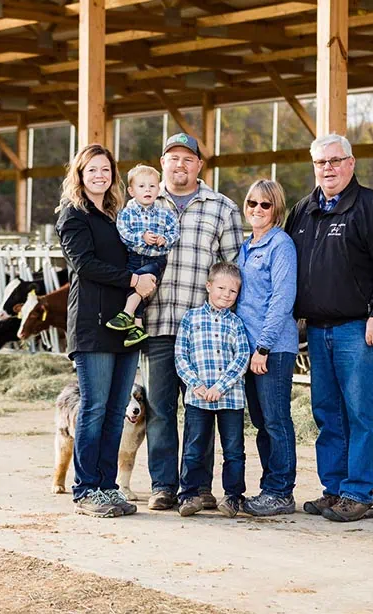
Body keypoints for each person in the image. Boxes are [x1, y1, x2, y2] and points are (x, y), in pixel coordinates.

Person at [284, 134, 373, 522]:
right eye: (321, 163)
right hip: (318, 331)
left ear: (351, 163)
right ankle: (335, 488)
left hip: (358, 329)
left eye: (336, 161)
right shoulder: (303, 212)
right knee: (327, 412)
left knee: (359, 411)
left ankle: (359, 493)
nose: (329, 168)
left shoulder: (372, 209)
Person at [142, 133, 244, 512]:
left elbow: (234, 270)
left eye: (188, 159)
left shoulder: (222, 208)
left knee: (200, 410)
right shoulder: (144, 204)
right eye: (173, 158)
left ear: (199, 165)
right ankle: (163, 485)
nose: (180, 165)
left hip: (205, 332)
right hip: (156, 323)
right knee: (160, 408)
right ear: (162, 163)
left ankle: (198, 487)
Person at [57, 143, 157, 518]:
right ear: (80, 176)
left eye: (105, 170)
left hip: (124, 325)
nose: (100, 175)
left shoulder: (119, 215)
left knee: (116, 411)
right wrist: (134, 278)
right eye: (91, 170)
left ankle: (106, 485)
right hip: (92, 324)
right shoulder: (73, 216)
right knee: (94, 408)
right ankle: (86, 489)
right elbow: (85, 265)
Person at [235, 179, 300, 517]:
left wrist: (263, 347)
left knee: (275, 419)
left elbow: (282, 299)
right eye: (251, 203)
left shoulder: (281, 245)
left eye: (265, 204)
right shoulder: (246, 246)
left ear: (276, 209)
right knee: (261, 420)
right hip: (247, 350)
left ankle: (281, 491)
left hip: (271, 348)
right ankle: (268, 487)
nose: (257, 210)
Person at [174, 262, 250, 518]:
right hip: (198, 397)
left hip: (230, 397)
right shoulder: (191, 318)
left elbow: (242, 357)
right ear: (209, 286)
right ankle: (189, 494)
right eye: (221, 288)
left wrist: (220, 386)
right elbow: (180, 356)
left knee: (233, 451)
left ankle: (233, 496)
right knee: (194, 448)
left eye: (233, 291)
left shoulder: (236, 323)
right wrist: (195, 384)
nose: (226, 295)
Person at [108, 164, 180, 347]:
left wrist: (165, 239)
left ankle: (126, 314)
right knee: (134, 288)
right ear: (132, 191)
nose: (147, 189)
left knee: (140, 282)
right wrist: (141, 237)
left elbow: (175, 232)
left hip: (156, 260)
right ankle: (138, 327)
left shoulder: (166, 214)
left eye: (152, 186)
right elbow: (123, 233)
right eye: (142, 186)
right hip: (134, 257)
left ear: (159, 189)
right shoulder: (126, 213)